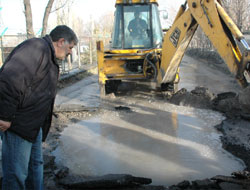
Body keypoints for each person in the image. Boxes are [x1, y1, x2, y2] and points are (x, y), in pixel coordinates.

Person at [0, 25, 78, 190]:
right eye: (70, 47)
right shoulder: (35, 49)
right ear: (61, 41)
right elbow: (8, 81)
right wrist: (5, 117)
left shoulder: (48, 55)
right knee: (16, 173)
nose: (70, 51)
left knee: (36, 165)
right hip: (18, 125)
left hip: (33, 126)